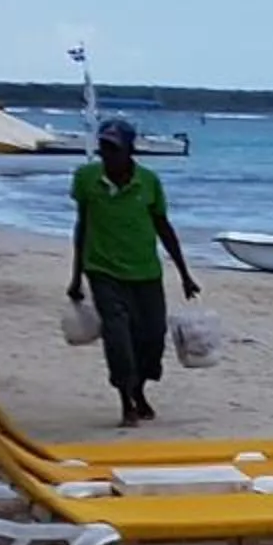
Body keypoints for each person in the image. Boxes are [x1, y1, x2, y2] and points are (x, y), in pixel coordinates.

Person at [67, 118, 199, 426]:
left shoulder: (149, 182)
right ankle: (126, 400)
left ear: (130, 149)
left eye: (114, 149)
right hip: (103, 271)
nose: (107, 155)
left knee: (153, 338)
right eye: (103, 148)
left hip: (146, 273)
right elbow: (82, 227)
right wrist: (76, 277)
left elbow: (163, 227)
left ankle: (139, 388)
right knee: (118, 339)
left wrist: (184, 274)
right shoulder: (87, 179)